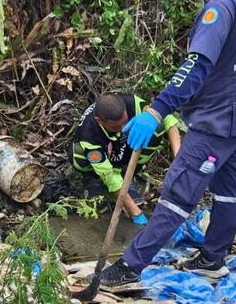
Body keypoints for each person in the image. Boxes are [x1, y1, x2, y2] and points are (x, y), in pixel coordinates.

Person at [99, 0, 236, 285]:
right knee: (227, 189)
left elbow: (197, 65)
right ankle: (212, 260)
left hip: (218, 118)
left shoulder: (221, 5)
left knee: (179, 192)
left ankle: (130, 268)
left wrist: (157, 109)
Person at [69, 93, 181, 225]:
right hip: (105, 154)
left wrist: (179, 159)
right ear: (100, 121)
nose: (123, 128)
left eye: (125, 122)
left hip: (128, 146)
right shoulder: (88, 133)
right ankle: (96, 182)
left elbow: (168, 120)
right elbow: (109, 176)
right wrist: (136, 212)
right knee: (77, 155)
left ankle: (127, 178)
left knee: (157, 125)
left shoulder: (132, 102)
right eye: (116, 126)